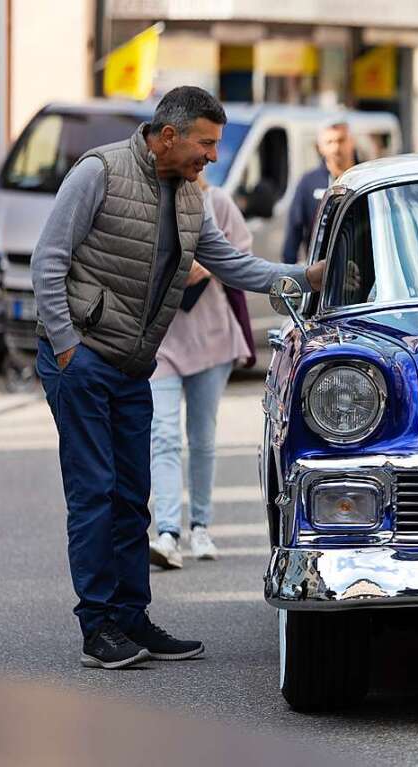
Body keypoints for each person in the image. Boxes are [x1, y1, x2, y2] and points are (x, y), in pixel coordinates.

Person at [30, 86, 326, 670]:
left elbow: (232, 264)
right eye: (207, 143)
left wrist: (306, 276)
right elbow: (49, 259)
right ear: (169, 135)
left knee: (130, 496)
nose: (212, 156)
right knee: (94, 492)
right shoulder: (100, 172)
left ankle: (131, 618)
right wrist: (66, 348)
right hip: (83, 359)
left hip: (133, 364)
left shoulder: (192, 196)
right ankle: (98, 627)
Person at [148, 174, 256, 570]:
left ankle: (201, 526)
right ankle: (167, 533)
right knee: (163, 434)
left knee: (202, 435)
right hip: (162, 339)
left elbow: (242, 258)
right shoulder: (151, 201)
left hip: (211, 336)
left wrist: (207, 266)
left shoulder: (219, 202)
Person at [281, 120, 355, 264]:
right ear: (319, 147)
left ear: (351, 141)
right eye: (329, 142)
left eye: (341, 140)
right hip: (320, 273)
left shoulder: (366, 178)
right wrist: (290, 277)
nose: (336, 148)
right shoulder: (308, 183)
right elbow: (294, 231)